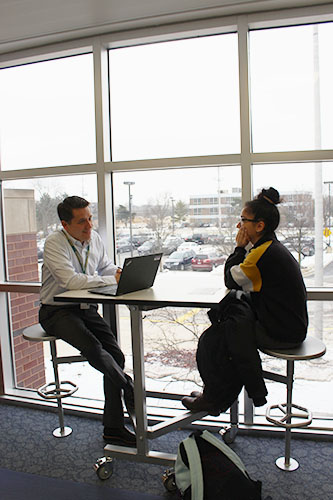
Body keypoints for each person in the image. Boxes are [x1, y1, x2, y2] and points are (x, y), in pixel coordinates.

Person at [182, 187, 308, 414]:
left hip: (282, 332)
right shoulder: (269, 248)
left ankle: (214, 398)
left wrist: (238, 248)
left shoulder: (261, 254)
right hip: (288, 325)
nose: (239, 226)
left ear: (259, 226)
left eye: (243, 220)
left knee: (216, 338)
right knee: (231, 327)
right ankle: (219, 395)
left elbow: (231, 278)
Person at [39, 196, 136, 447]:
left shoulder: (94, 239)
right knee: (94, 348)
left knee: (116, 356)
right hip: (56, 310)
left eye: (90, 218)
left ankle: (113, 428)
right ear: (65, 224)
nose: (89, 225)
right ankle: (127, 385)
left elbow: (104, 268)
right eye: (82, 221)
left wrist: (118, 274)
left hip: (86, 308)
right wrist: (109, 280)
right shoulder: (54, 243)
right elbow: (70, 282)